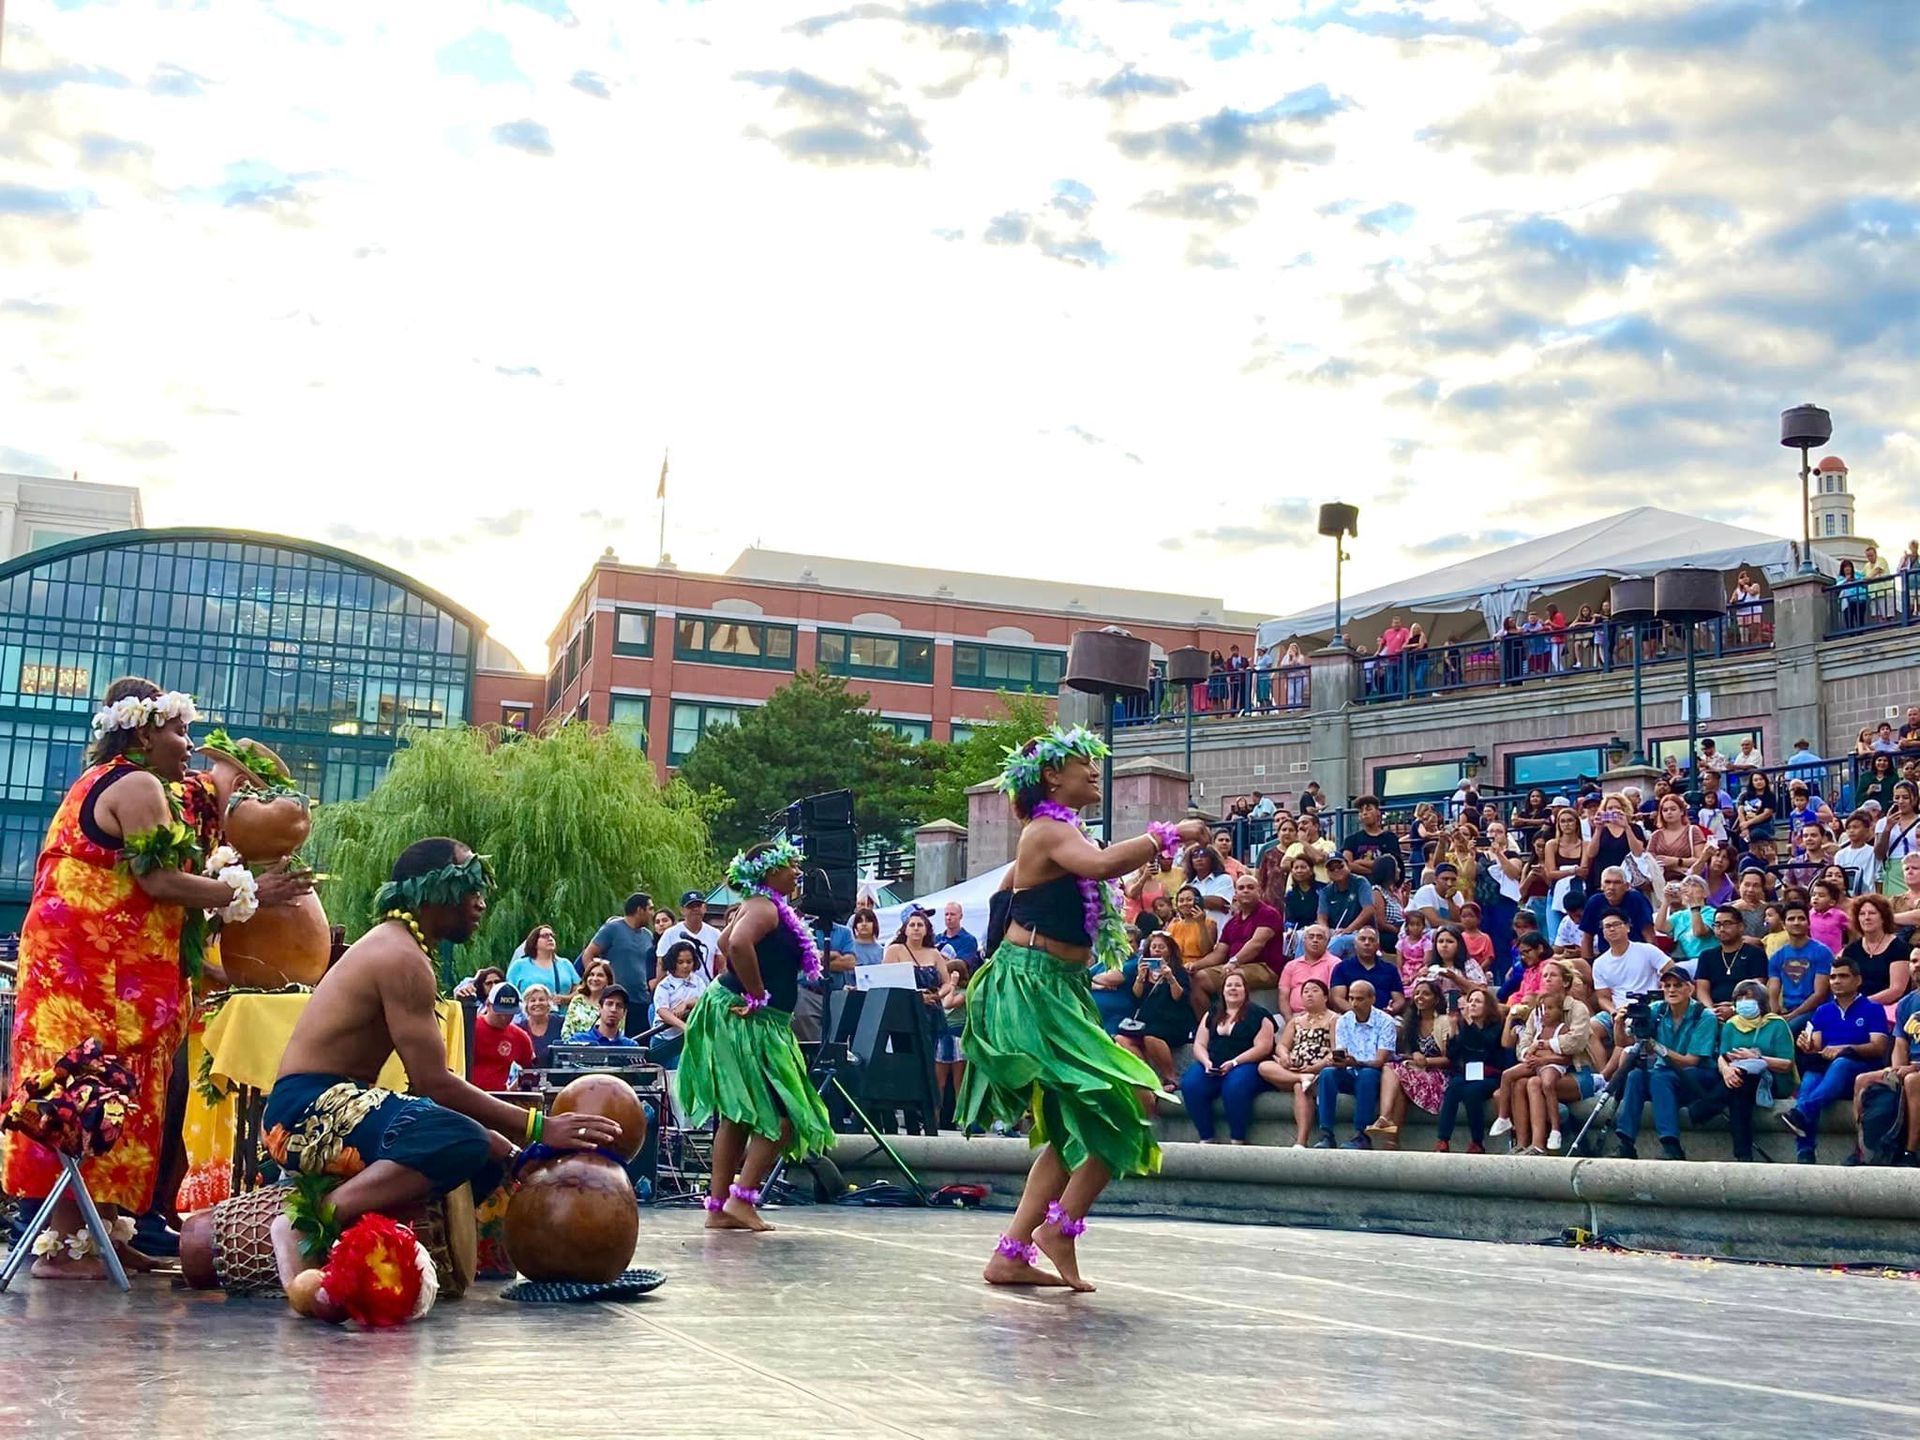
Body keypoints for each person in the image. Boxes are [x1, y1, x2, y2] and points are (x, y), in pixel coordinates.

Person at [2, 677, 312, 1279]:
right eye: (179, 730)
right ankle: (66, 1251)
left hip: (110, 973)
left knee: (123, 1096)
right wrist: (246, 892)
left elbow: (208, 805)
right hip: (90, 979)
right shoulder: (136, 783)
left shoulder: (140, 785)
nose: (188, 744)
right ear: (143, 732)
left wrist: (238, 772)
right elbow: (160, 881)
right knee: (89, 1093)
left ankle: (104, 1237)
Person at [262, 838, 623, 1297]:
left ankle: (393, 1245)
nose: (481, 901)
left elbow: (425, 1087)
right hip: (305, 1109)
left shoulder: (406, 948)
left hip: (335, 1106)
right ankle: (313, 1220)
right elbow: (434, 1083)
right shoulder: (400, 956)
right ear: (433, 891)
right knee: (465, 1139)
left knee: (487, 1149)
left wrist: (505, 1145)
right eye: (471, 886)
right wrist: (537, 1126)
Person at [957, 726, 1211, 1290]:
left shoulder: (1057, 833)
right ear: (1052, 775)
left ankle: (1018, 1248)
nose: (1095, 772)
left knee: (1098, 1114)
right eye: (1083, 765)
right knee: (1127, 1100)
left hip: (1059, 986)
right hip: (1035, 989)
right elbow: (1098, 868)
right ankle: (1056, 1230)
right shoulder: (1048, 830)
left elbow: (1009, 892)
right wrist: (1165, 835)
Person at [679, 840, 835, 1233]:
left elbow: (720, 940)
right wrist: (756, 993)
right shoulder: (764, 908)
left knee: (738, 1117)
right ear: (769, 872)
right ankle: (740, 1199)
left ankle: (718, 1208)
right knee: (784, 1118)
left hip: (747, 1018)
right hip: (749, 1021)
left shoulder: (762, 904)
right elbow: (735, 943)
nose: (798, 873)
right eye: (791, 867)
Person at [1778, 955, 1891, 1163]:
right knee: (1810, 1079)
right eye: (1832, 977)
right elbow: (1817, 1047)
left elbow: (1879, 1047)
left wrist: (1844, 1049)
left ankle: (1803, 1111)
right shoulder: (1823, 1011)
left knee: (1842, 1062)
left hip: (1859, 1070)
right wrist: (1807, 1044)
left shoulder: (1872, 1009)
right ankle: (1805, 1152)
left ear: (1857, 980)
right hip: (1826, 1070)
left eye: (1843, 976)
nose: (1836, 981)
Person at [1611, 963, 1719, 1160]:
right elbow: (1623, 1042)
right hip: (1665, 1075)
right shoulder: (1656, 1009)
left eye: (1677, 985)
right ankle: (1625, 1142)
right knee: (1635, 1075)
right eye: (1667, 985)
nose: (1671, 990)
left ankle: (1671, 1144)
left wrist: (1657, 1047)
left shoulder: (1704, 1016)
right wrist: (1619, 1023)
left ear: (1690, 988)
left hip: (1697, 1077)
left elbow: (1692, 1061)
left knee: (1659, 1077)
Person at [1491, 958, 1595, 1154]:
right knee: (1519, 1083)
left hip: (1577, 1074)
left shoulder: (1577, 1008)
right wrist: (1528, 1054)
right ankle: (1522, 1144)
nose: (1547, 979)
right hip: (1541, 1070)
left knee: (1533, 1084)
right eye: (1544, 975)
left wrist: (1543, 1046)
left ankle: (1539, 1145)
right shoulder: (1537, 1011)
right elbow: (1523, 1042)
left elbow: (1576, 1042)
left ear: (1565, 982)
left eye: (1553, 975)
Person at [1692, 979, 1796, 1162]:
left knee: (1743, 1083)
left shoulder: (1777, 1024)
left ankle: (1704, 1109)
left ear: (1761, 1001)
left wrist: (1757, 1058)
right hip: (1737, 1078)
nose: (1743, 1002)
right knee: (1739, 1091)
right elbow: (1723, 1056)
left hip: (1773, 1078)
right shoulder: (1731, 1025)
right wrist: (1726, 1071)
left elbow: (1786, 1064)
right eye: (1739, 998)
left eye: (1748, 998)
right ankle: (1743, 1155)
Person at [1178, 972, 1276, 1144]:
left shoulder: (1259, 1014)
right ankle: (1206, 1137)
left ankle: (1238, 1138)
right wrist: (1206, 1062)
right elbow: (1200, 1044)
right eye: (1229, 985)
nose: (1233, 989)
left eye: (1238, 985)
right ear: (1222, 991)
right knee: (1190, 1084)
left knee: (1234, 1087)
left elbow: (1263, 1047)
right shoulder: (1213, 1013)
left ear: (1246, 990)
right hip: (1214, 1063)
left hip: (1246, 1064)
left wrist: (1235, 1062)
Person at [1313, 978, 1398, 1149]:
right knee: (1327, 1073)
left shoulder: (1386, 1021)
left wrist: (1356, 1062)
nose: (1354, 1003)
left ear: (1372, 999)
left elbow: (1380, 1061)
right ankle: (1326, 1134)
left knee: (1367, 1074)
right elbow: (1341, 1051)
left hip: (1374, 1074)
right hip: (1349, 1071)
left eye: (1360, 999)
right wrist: (1338, 1061)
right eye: (1351, 998)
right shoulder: (1344, 1020)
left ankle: (1362, 1135)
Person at [1256, 977, 1337, 1148]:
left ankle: (1301, 1141)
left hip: (1320, 1070)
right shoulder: (1296, 1020)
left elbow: (1336, 1051)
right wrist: (1285, 1056)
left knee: (1301, 1088)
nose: (1309, 994)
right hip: (1295, 1069)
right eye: (1306, 991)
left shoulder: (1334, 1019)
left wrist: (1316, 1066)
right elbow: (1282, 1046)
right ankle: (1301, 1077)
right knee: (1264, 1066)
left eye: (1315, 991)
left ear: (1325, 997)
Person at [1113, 932, 1195, 1097]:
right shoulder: (1144, 970)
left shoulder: (1178, 971)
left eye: (1161, 947)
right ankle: (1147, 1076)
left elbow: (1178, 997)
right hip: (1147, 1021)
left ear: (1169, 950)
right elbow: (1137, 998)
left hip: (1173, 1022)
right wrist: (1140, 978)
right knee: (1121, 1039)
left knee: (1151, 1036)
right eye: (1154, 947)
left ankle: (1170, 1077)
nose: (1157, 950)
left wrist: (1170, 977)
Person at [1190, 872, 1283, 1012]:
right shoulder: (1232, 922)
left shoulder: (1268, 913)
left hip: (1265, 968)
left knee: (1233, 978)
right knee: (1195, 978)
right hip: (1236, 966)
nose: (1245, 890)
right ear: (1235, 894)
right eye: (1241, 888)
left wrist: (1233, 962)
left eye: (1250, 887)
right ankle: (1209, 1024)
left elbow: (1256, 944)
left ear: (1260, 892)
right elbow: (1219, 953)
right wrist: (1193, 966)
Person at [1375, 978, 1452, 1142]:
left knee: (1391, 1069)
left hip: (1438, 1075)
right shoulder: (1410, 1022)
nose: (1420, 997)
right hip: (1415, 1072)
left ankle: (1385, 1118)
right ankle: (1391, 1140)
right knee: (1398, 1082)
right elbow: (1410, 1054)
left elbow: (1450, 1059)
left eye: (1426, 994)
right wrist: (1412, 1058)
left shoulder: (1444, 1022)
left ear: (1436, 999)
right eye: (1417, 993)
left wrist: (1426, 1062)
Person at [1434, 988, 1503, 1152]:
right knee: (1453, 1087)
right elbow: (1452, 1055)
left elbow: (1487, 1043)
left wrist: (1470, 1023)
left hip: (1490, 1074)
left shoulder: (1496, 1027)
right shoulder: (1464, 1026)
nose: (1472, 1005)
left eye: (1477, 1001)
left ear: (1487, 1007)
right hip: (1467, 1073)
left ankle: (1477, 1142)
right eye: (1470, 1001)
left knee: (1472, 1092)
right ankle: (1443, 1139)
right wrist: (1453, 1030)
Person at [581, 892, 656, 1032]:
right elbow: (588, 954)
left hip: (642, 1001)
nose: (653, 913)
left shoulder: (648, 935)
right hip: (617, 1001)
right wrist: (597, 983)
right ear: (640, 910)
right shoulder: (612, 929)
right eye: (650, 908)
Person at [1841, 892, 1912, 1016]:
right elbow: (1844, 983)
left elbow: (1896, 990)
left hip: (1889, 1010)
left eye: (1872, 913)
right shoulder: (1851, 950)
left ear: (1883, 917)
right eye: (1862, 914)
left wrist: (1862, 1004)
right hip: (1854, 1008)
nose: (1866, 917)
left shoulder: (1899, 948)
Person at [1768, 901, 1834, 1032]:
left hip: (1817, 1011)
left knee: (1787, 1029)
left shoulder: (1822, 952)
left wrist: (1792, 1016)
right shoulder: (1777, 956)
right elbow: (1773, 992)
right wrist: (1775, 1015)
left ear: (1809, 923)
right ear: (1783, 924)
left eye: (1801, 918)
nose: (1796, 922)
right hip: (1789, 1010)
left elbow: (1820, 994)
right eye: (1791, 919)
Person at [1692, 909, 1769, 1017]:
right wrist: (1712, 1011)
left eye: (1727, 924)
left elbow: (1756, 988)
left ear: (1741, 926)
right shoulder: (1707, 956)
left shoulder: (1755, 954)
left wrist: (1734, 1008)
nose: (1722, 929)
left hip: (1746, 1010)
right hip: (1713, 1012)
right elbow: (1702, 990)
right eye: (1717, 925)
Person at [1578, 866, 1655, 960]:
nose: (1611, 887)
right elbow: (1587, 937)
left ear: (1627, 886)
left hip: (1636, 956)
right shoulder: (1594, 902)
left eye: (1617, 882)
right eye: (1607, 882)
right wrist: (1588, 963)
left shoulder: (1636, 899)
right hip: (1606, 957)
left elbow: (1649, 933)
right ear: (1601, 886)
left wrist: (1651, 959)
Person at [470, 982, 535, 1089]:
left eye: (509, 1013)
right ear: (488, 1005)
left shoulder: (520, 1037)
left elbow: (531, 1071)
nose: (504, 1018)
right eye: (500, 1013)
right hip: (466, 1096)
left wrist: (510, 1092)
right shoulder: (471, 1027)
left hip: (499, 1097)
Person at [1330, 925, 1406, 1015]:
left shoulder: (1390, 969)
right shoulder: (1341, 968)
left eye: (1371, 940)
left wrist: (1390, 1010)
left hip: (1384, 1017)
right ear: (1355, 944)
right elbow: (1338, 998)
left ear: (1377, 946)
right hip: (1351, 1017)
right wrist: (1359, 1014)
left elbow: (1399, 1000)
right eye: (1362, 939)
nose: (1367, 943)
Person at [1317, 854, 1378, 958]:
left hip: (1361, 932)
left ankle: (1321, 965)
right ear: (1327, 873)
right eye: (1331, 869)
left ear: (1348, 866)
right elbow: (1322, 916)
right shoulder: (1326, 891)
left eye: (1340, 866)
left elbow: (1369, 910)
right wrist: (1325, 931)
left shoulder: (1360, 883)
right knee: (1305, 936)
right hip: (1335, 930)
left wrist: (1348, 929)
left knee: (1339, 941)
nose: (1336, 870)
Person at [1278, 924, 1342, 1021]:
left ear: (1326, 942)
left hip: (1324, 1016)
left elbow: (1333, 996)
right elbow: (1283, 996)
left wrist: (1313, 1014)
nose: (1315, 940)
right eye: (1311, 937)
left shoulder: (1335, 963)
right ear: (1304, 941)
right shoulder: (1291, 966)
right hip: (1294, 1016)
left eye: (1319, 937)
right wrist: (1289, 1019)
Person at [504, 923, 581, 1000]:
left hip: (562, 1011)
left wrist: (567, 998)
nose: (550, 938)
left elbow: (579, 988)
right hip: (529, 1010)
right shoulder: (519, 965)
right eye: (545, 936)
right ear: (534, 942)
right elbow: (509, 993)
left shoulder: (565, 964)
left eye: (552, 936)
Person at [657, 891, 720, 983]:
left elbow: (722, 967)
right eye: (690, 906)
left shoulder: (715, 933)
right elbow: (661, 966)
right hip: (676, 991)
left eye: (698, 906)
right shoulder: (670, 934)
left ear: (705, 908)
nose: (695, 909)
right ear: (682, 910)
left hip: (706, 989)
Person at [652, 941, 710, 1037]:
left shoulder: (698, 981)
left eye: (689, 962)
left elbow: (705, 1002)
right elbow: (662, 1011)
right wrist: (684, 1026)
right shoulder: (664, 985)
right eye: (680, 962)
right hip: (666, 1037)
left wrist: (686, 1003)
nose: (685, 966)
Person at [1341, 795, 1403, 880]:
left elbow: (1391, 865)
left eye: (1369, 809)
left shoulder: (1390, 838)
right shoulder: (1351, 840)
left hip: (1384, 886)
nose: (1364, 813)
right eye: (1361, 811)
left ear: (1378, 812)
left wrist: (1359, 862)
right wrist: (1376, 870)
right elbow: (1347, 865)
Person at [514, 983, 561, 1069]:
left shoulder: (560, 1023)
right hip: (528, 1077)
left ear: (549, 1003)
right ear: (526, 1005)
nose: (537, 1003)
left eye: (541, 999)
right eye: (532, 1000)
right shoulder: (519, 1029)